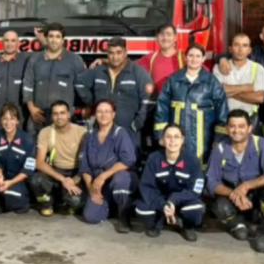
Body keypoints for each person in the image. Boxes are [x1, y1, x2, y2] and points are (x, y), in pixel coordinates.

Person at [206, 109, 264, 253]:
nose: (236, 130)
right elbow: (211, 181)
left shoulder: (262, 144)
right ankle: (237, 225)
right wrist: (234, 193)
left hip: (257, 200)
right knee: (219, 205)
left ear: (249, 128)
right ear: (227, 128)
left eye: (241, 126)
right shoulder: (220, 148)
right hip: (236, 201)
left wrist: (247, 185)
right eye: (232, 126)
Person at [154, 44, 228, 164]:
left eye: (198, 56)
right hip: (176, 137)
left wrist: (219, 138)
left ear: (203, 59)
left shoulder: (212, 82)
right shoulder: (173, 80)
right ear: (185, 57)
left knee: (202, 167)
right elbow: (162, 108)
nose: (194, 59)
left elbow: (222, 110)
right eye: (191, 55)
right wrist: (160, 135)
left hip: (205, 137)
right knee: (177, 165)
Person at [135, 125, 204, 241]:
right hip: (160, 201)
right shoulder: (154, 158)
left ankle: (185, 225)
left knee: (196, 209)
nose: (172, 141)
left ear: (182, 140)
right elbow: (146, 187)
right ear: (162, 140)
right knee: (141, 210)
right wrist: (164, 205)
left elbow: (195, 190)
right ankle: (159, 222)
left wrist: (173, 200)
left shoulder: (193, 160)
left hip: (182, 200)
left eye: (176, 137)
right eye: (168, 137)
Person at [80, 36, 152, 146]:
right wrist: (92, 102)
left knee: (128, 161)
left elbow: (148, 101)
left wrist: (137, 124)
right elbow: (79, 83)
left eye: (119, 53)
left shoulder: (138, 72)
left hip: (128, 132)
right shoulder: (99, 71)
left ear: (125, 53)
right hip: (102, 129)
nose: (115, 57)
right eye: (111, 53)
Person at [80, 99, 138, 233]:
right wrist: (92, 190)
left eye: (107, 111)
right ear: (95, 114)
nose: (103, 115)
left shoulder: (120, 133)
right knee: (90, 217)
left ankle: (124, 216)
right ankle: (111, 207)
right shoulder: (90, 136)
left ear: (113, 114)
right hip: (100, 185)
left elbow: (128, 160)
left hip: (118, 180)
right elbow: (85, 167)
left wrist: (104, 175)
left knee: (121, 179)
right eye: (99, 111)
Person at [22, 23, 86, 134]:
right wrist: (31, 108)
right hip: (38, 116)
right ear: (46, 38)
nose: (54, 40)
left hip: (64, 118)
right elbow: (28, 85)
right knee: (36, 150)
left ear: (62, 40)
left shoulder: (75, 60)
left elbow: (82, 87)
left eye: (57, 37)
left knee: (62, 150)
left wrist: (74, 111)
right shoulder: (34, 59)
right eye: (51, 36)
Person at [0, 103, 36, 218]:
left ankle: (5, 203)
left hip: (19, 180)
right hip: (3, 178)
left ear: (18, 121)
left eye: (12, 119)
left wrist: (10, 183)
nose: (8, 123)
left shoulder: (27, 139)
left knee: (13, 196)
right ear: (0, 120)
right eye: (5, 119)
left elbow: (28, 169)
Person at [30, 100, 87, 217]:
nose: (59, 117)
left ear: (69, 114)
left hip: (76, 172)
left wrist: (75, 180)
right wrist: (63, 180)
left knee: (76, 201)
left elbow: (87, 162)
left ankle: (65, 202)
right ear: (51, 116)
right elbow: (39, 163)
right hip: (56, 172)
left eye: (62, 113)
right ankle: (47, 203)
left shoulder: (82, 132)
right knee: (36, 180)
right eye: (55, 114)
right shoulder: (45, 132)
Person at [212, 33, 264, 127]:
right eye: (236, 45)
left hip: (250, 120)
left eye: (244, 45)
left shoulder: (258, 68)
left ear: (249, 50)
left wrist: (228, 91)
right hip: (224, 119)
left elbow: (259, 98)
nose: (240, 49)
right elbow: (216, 93)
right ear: (230, 49)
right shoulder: (218, 67)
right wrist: (247, 87)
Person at [0, 30, 30, 130]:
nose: (9, 44)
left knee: (19, 143)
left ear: (18, 43)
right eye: (6, 40)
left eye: (13, 41)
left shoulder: (27, 60)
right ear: (2, 42)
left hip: (20, 112)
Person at [135, 24, 183, 95]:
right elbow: (131, 70)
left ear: (175, 38)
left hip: (179, 102)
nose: (165, 38)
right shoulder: (150, 58)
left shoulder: (184, 58)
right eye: (162, 35)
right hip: (158, 102)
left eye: (169, 34)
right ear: (157, 38)